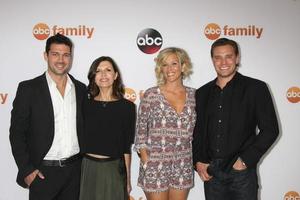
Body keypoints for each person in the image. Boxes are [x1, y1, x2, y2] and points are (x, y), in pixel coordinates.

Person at [192, 37, 279, 200]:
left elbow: (270, 129)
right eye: (218, 57)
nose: (223, 62)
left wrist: (245, 160)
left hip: (242, 173)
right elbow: (198, 132)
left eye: (228, 56)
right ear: (212, 60)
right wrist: (198, 161)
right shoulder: (202, 93)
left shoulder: (256, 88)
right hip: (212, 173)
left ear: (237, 58)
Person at [9, 33, 86, 200]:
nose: (61, 60)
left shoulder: (81, 89)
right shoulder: (28, 89)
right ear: (46, 56)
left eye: (66, 55)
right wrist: (27, 170)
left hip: (75, 173)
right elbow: (16, 134)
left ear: (71, 58)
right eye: (55, 54)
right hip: (42, 173)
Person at [134, 47, 196, 200]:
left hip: (183, 162)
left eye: (174, 63)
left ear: (183, 66)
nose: (169, 69)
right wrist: (145, 157)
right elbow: (141, 130)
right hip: (155, 162)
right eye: (164, 64)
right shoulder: (151, 95)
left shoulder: (195, 95)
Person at [79, 56, 136, 200]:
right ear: (93, 76)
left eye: (108, 70)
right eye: (98, 71)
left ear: (115, 75)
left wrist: (128, 179)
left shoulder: (127, 107)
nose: (103, 74)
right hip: (87, 169)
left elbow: (125, 147)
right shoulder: (84, 105)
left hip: (113, 171)